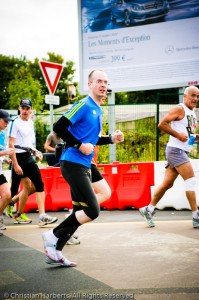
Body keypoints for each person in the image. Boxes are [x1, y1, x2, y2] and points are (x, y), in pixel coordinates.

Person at [42, 69, 123, 267]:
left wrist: (111, 139)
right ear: (90, 84)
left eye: (106, 81)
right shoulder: (83, 104)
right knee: (92, 211)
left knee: (80, 210)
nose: (103, 85)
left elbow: (92, 140)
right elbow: (58, 127)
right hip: (72, 163)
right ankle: (51, 235)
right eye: (99, 81)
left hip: (85, 164)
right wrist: (78, 145)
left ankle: (56, 251)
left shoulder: (97, 108)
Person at [139, 85, 199, 229]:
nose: (195, 99)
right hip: (176, 150)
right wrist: (178, 135)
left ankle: (148, 210)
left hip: (181, 151)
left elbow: (187, 134)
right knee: (190, 181)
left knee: (167, 184)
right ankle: (196, 216)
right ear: (185, 96)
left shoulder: (193, 112)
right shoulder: (180, 109)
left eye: (197, 96)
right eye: (193, 95)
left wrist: (195, 137)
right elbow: (162, 124)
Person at [8, 98, 58, 226]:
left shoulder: (30, 121)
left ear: (31, 110)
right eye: (23, 108)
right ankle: (9, 205)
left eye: (27, 108)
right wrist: (16, 164)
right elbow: (11, 144)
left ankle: (42, 216)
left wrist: (36, 151)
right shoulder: (15, 122)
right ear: (19, 108)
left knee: (38, 185)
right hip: (18, 158)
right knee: (13, 190)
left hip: (28, 157)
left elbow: (28, 143)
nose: (25, 111)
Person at [0, 109, 15, 235]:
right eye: (5, 121)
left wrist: (4, 158)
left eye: (8, 121)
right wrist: (5, 153)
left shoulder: (2, 135)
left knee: (7, 195)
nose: (7, 123)